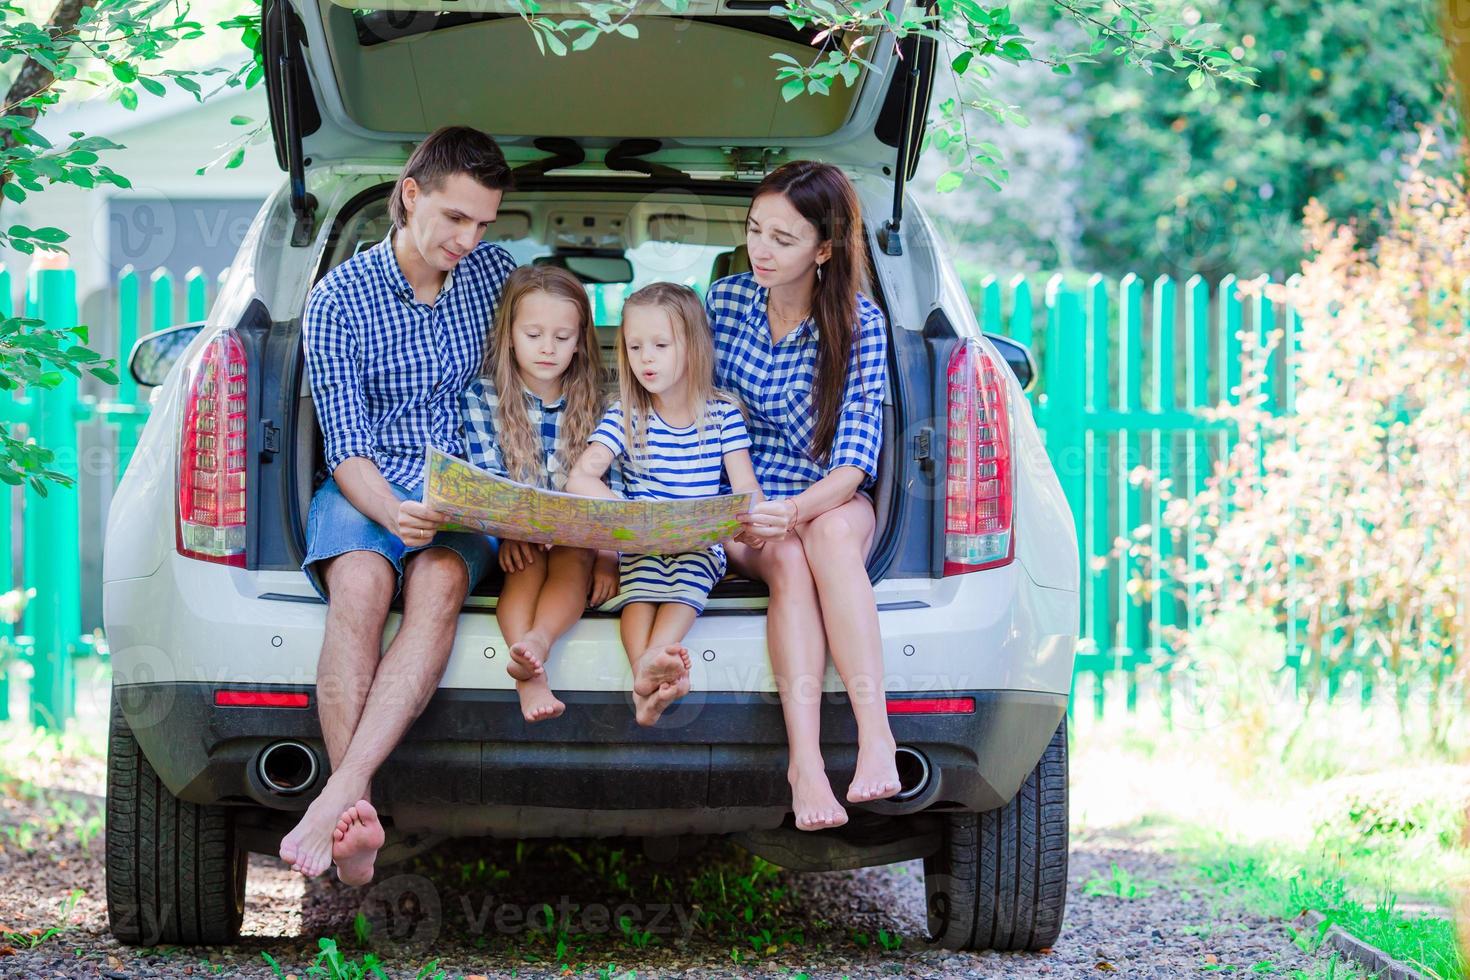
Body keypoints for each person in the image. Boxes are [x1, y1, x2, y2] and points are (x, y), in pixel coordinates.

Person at [279, 125, 516, 885]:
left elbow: (541, 371)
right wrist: (389, 512)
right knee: (360, 585)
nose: (469, 239)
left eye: (483, 223)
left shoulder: (493, 276)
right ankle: (360, 815)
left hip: (463, 487)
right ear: (411, 195)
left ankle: (339, 797)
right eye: (456, 218)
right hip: (368, 483)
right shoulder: (338, 299)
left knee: (440, 583)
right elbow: (344, 446)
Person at [704, 160, 901, 831]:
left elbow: (854, 463)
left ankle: (878, 738)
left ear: (823, 249)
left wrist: (794, 509)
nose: (761, 248)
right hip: (743, 497)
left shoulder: (860, 323)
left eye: (783, 239)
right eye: (756, 230)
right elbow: (695, 414)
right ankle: (806, 765)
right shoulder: (725, 303)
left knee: (824, 536)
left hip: (825, 497)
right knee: (786, 559)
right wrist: (751, 501)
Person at [565, 283, 763, 726]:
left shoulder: (723, 415)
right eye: (635, 347)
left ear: (693, 347)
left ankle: (648, 669)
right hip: (641, 540)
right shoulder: (625, 414)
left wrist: (751, 521)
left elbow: (746, 487)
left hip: (697, 544)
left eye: (659, 345)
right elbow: (581, 475)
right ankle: (647, 678)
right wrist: (631, 518)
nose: (645, 358)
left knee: (685, 585)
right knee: (638, 592)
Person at [461, 264, 620, 724]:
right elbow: (487, 474)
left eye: (562, 337)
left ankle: (536, 644)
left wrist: (610, 553)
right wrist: (510, 531)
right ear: (509, 334)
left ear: (580, 340)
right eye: (533, 334)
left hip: (576, 530)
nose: (548, 348)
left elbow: (615, 485)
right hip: (514, 527)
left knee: (575, 561)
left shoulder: (597, 400)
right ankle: (530, 676)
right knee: (523, 569)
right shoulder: (483, 396)